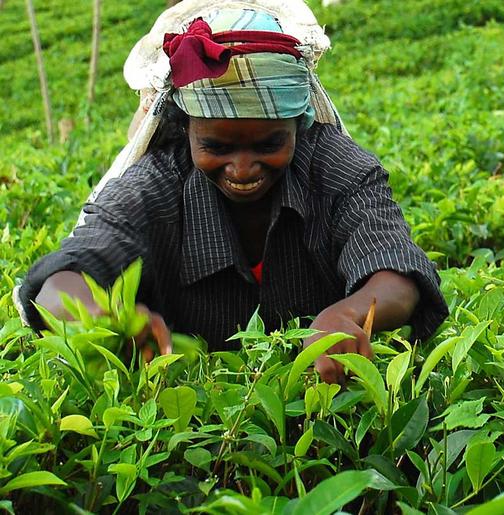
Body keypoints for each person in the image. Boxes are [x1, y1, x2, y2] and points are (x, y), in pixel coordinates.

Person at [15, 5, 448, 384]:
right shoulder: (154, 185)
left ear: (298, 123)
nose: (242, 169)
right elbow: (60, 279)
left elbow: (397, 272)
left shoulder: (336, 166)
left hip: (326, 410)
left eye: (269, 144)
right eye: (216, 147)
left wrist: (349, 314)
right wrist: (100, 317)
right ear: (186, 130)